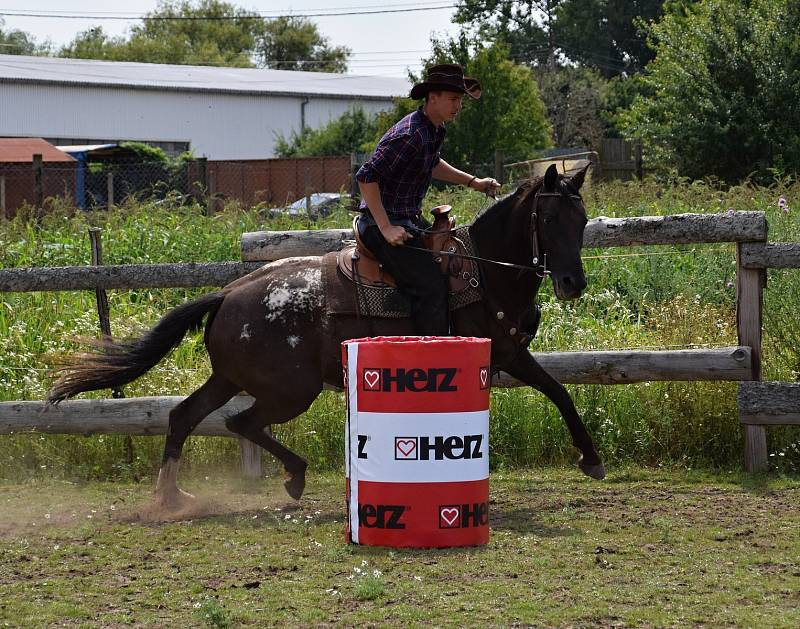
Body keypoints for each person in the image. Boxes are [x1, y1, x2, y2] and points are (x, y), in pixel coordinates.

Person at [355, 63, 500, 336]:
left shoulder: (432, 129)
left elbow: (432, 164)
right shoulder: (409, 135)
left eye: (460, 100)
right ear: (433, 97)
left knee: (455, 264)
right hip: (380, 225)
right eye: (453, 99)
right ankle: (430, 357)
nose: (458, 106)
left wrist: (474, 183)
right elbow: (366, 176)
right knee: (430, 287)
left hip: (408, 220)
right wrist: (385, 227)